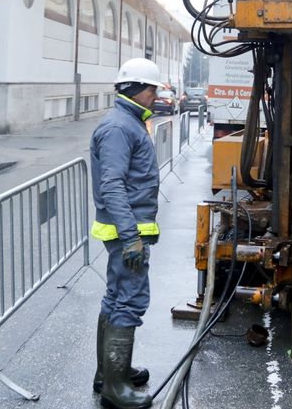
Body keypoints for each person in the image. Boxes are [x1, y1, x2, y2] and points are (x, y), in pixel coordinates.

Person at [90, 57, 165, 409]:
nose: (155, 96)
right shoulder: (121, 128)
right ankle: (115, 388)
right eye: (153, 89)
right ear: (138, 89)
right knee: (128, 300)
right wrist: (131, 236)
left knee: (115, 296)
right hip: (126, 234)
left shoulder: (129, 122)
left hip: (126, 231)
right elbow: (113, 186)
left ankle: (109, 373)